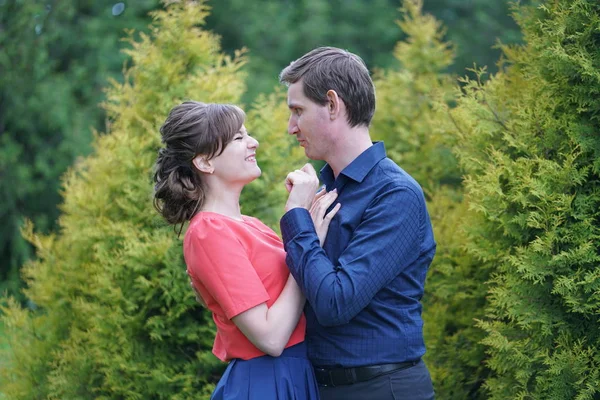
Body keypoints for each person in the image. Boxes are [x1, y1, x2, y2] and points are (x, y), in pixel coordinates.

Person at [153, 101, 340, 400]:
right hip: (268, 382)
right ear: (204, 162)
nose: (253, 142)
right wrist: (309, 245)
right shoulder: (208, 232)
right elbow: (271, 337)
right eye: (238, 138)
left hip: (291, 375)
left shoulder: (250, 225)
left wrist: (303, 221)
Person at [279, 47, 436, 399]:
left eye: (297, 111)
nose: (291, 127)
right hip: (319, 386)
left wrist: (297, 221)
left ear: (333, 105)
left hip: (382, 389)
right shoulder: (323, 190)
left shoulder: (396, 195)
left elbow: (336, 303)